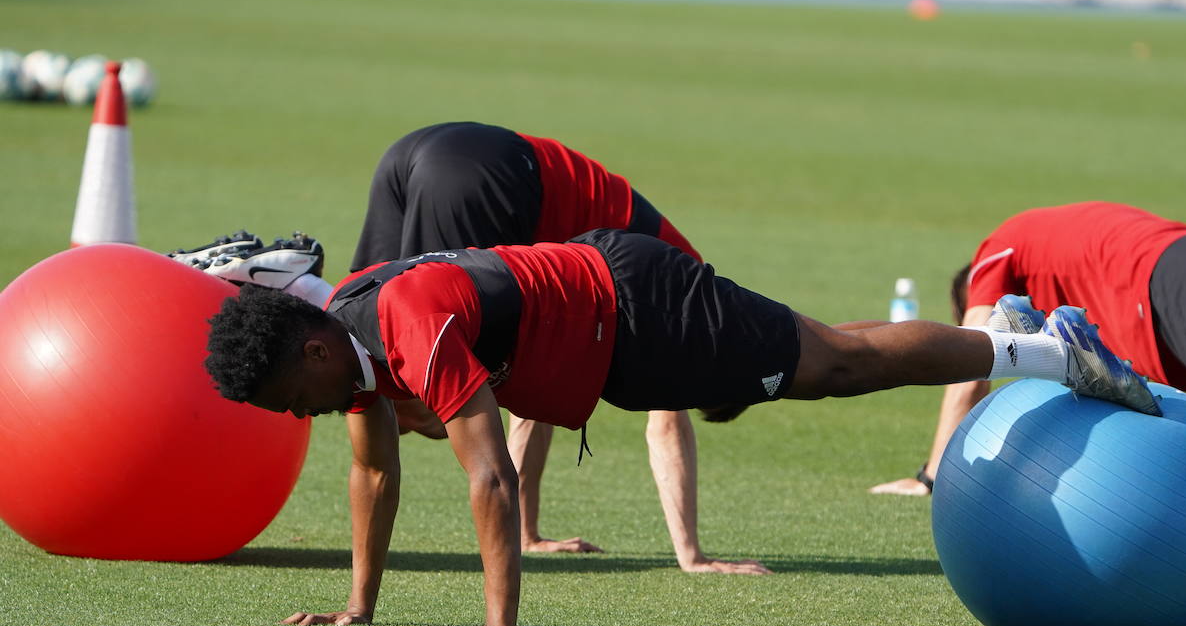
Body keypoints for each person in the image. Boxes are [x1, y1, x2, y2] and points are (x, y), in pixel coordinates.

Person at [204, 227, 1158, 626]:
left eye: (288, 396)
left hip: (642, 307)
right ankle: (1022, 338)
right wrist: (359, 606)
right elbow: (373, 477)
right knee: (823, 367)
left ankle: (1040, 349)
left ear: (317, 349)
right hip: (616, 349)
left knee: (835, 364)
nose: (293, 416)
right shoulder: (356, 350)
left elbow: (488, 477)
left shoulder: (404, 318)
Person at [174, 121, 766, 575]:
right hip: (489, 177)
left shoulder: (677, 262)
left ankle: (298, 282)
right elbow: (664, 418)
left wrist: (529, 530)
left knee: (358, 328)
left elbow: (544, 380)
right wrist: (691, 553)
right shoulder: (691, 298)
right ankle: (290, 284)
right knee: (427, 387)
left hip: (427, 152)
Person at [871, 201, 1186, 497]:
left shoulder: (994, 255)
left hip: (1175, 279)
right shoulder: (1056, 254)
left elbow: (974, 354)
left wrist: (932, 476)